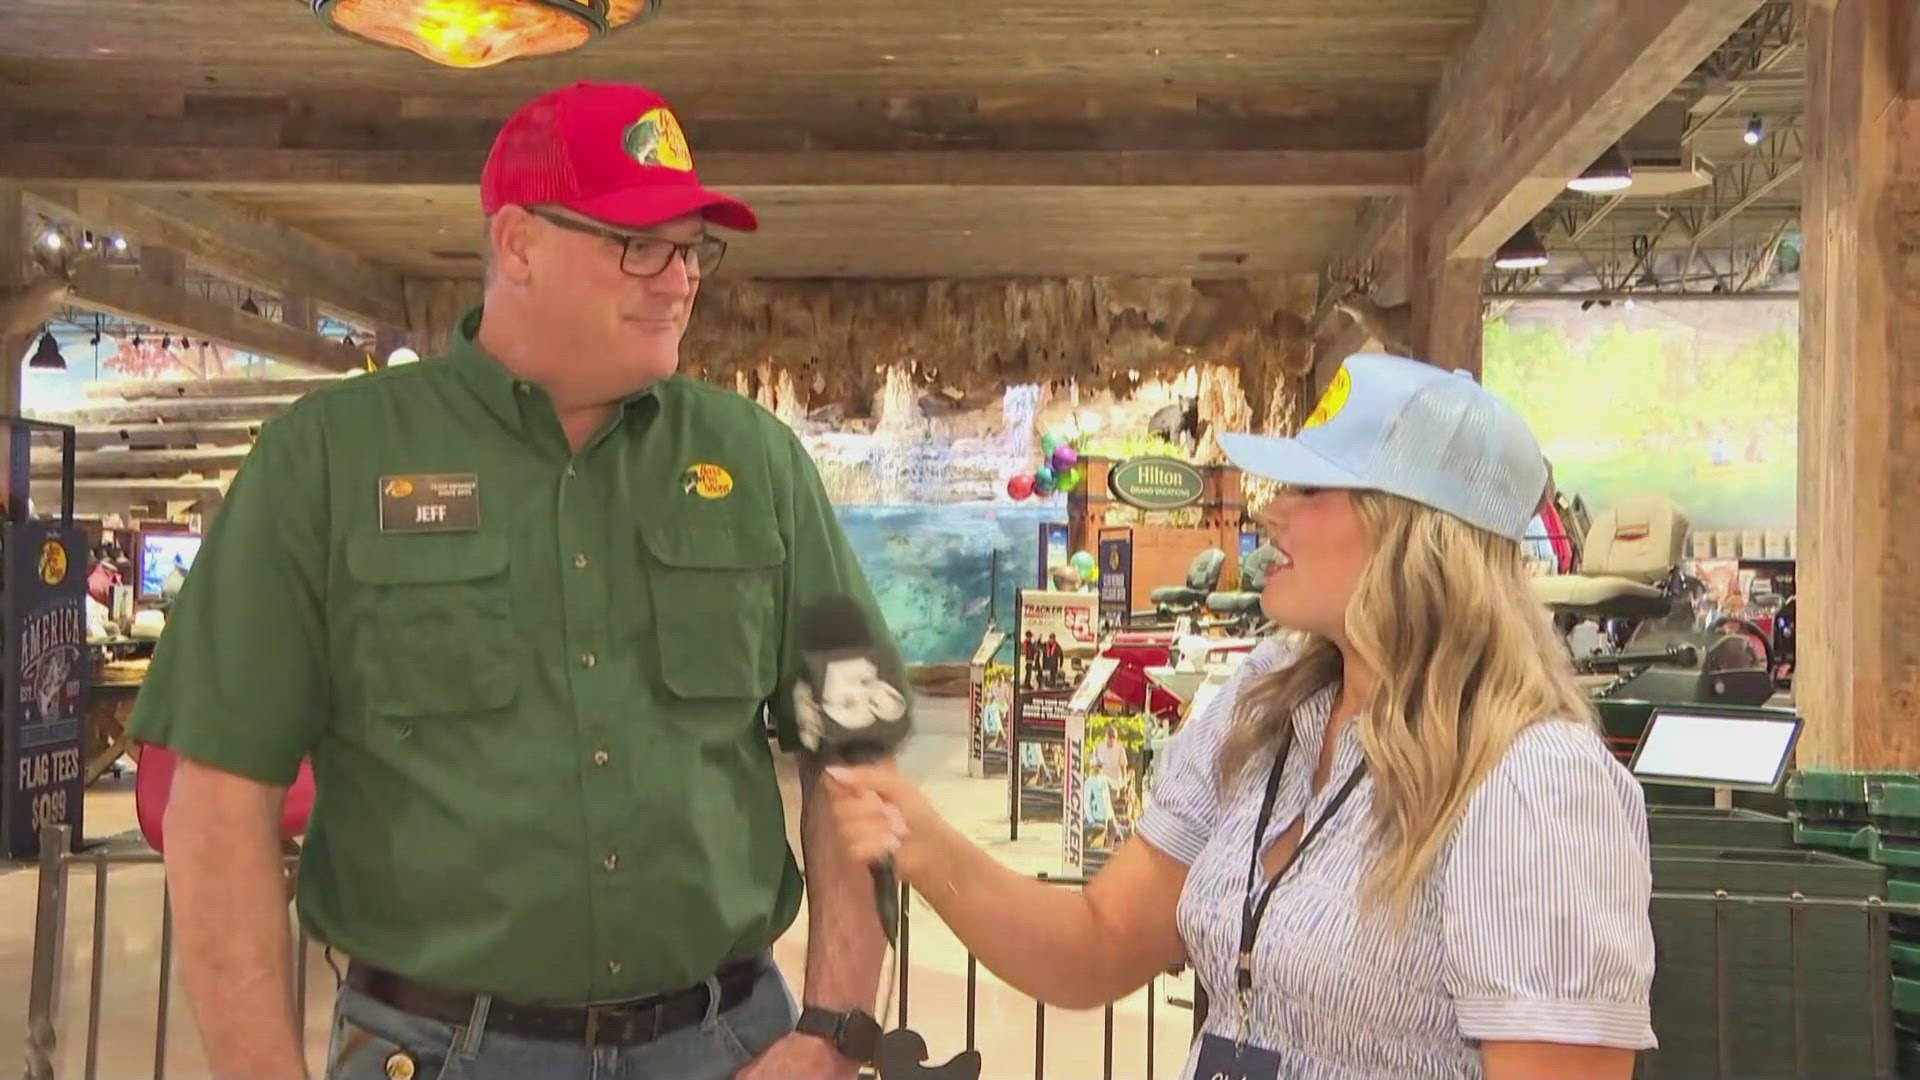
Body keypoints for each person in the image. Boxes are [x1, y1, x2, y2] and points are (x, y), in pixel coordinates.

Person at [130, 81, 895, 1080]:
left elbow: (856, 752)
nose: (678, 281)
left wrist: (834, 1031)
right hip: (436, 1049)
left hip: (726, 1045)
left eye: (692, 248)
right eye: (639, 245)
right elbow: (218, 801)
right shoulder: (325, 461)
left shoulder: (758, 463)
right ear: (518, 243)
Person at [829, 353, 1657, 1079]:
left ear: (1413, 531)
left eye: (1310, 489)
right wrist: (919, 837)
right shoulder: (1266, 706)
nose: (1272, 510)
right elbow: (1098, 943)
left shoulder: (1532, 784)